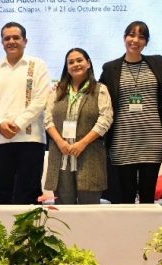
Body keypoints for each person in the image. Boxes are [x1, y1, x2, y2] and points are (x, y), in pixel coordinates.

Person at [0, 22, 51, 204]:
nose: (11, 41)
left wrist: (17, 124)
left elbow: (40, 100)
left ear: (25, 41)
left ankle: (30, 233)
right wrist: (0, 124)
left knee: (29, 193)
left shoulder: (37, 65)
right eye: (7, 38)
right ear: (2, 42)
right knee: (1, 194)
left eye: (16, 37)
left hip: (30, 140)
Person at [99, 21, 162, 204]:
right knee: (125, 198)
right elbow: (96, 94)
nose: (135, 40)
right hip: (123, 142)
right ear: (124, 38)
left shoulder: (158, 63)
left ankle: (149, 234)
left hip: (152, 141)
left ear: (146, 42)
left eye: (141, 36)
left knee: (147, 198)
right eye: (131, 35)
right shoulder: (110, 68)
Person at [44, 48, 112, 204]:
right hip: (61, 156)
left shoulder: (100, 89)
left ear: (88, 63)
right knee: (63, 212)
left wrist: (82, 143)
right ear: (66, 68)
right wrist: (60, 142)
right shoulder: (57, 91)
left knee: (89, 212)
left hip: (89, 155)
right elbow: (47, 119)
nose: (75, 64)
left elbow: (105, 120)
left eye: (79, 60)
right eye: (71, 62)